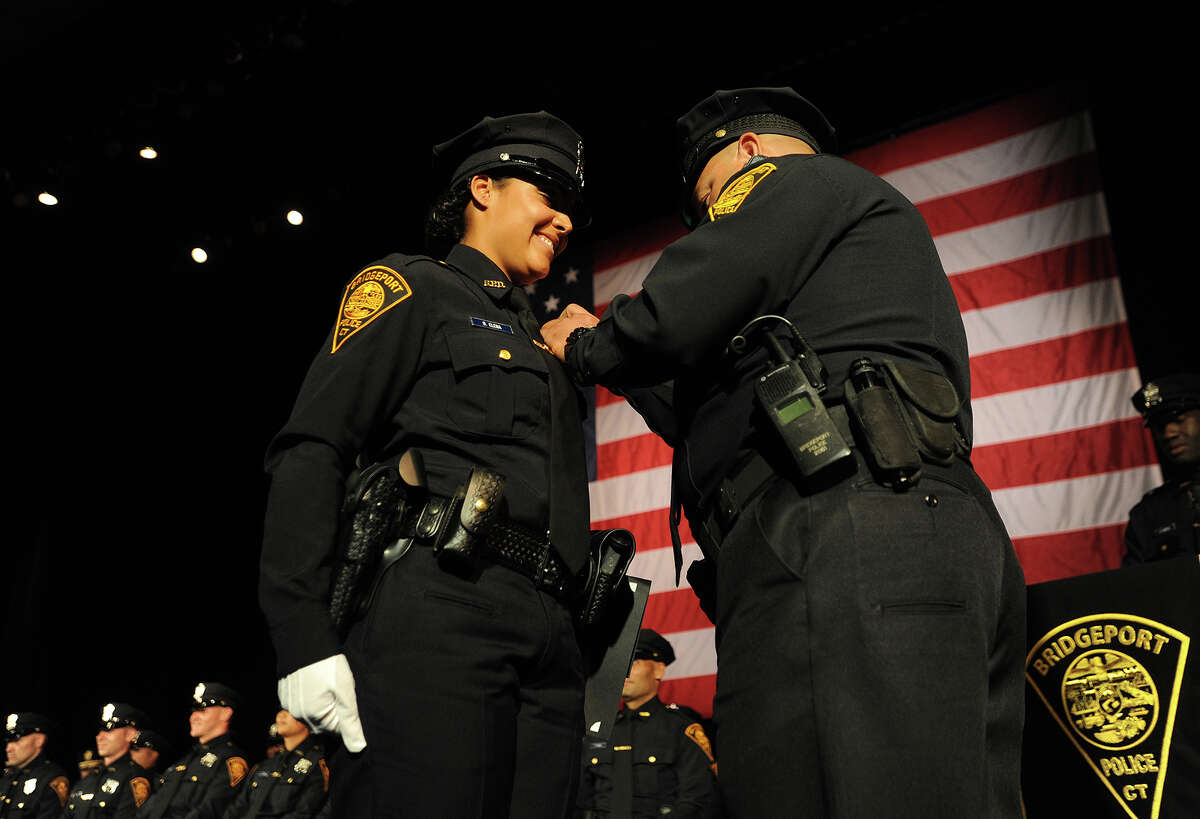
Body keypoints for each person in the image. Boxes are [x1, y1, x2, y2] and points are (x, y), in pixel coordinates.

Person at [542, 87, 1026, 818]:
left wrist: (585, 344)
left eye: (710, 198)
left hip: (841, 524)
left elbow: (681, 305)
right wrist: (618, 361)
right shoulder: (836, 258)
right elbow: (701, 404)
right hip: (902, 518)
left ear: (747, 151)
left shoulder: (791, 179)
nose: (712, 219)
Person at [259, 110, 593, 817]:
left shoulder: (552, 339)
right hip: (441, 614)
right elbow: (313, 446)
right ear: (481, 190)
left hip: (553, 644)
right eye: (546, 192)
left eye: (572, 205)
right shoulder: (408, 288)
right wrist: (300, 634)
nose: (564, 219)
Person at [576, 630, 716, 818]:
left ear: (659, 670)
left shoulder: (681, 729)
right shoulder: (598, 733)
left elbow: (697, 800)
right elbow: (580, 800)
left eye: (633, 662)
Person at [138, 682, 249, 819]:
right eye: (193, 711)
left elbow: (211, 810)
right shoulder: (186, 760)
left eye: (202, 710)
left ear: (225, 714)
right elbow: (153, 805)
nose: (194, 717)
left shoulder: (231, 760)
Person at [1124, 372, 1200, 563]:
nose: (1169, 433)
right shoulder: (1149, 513)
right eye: (1159, 425)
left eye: (1178, 419)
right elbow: (1137, 587)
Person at [221, 710, 328, 819]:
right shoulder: (266, 764)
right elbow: (238, 807)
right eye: (281, 709)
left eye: (290, 710)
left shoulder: (317, 765)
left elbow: (305, 813)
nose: (281, 714)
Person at [64, 703, 152, 817]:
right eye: (100, 730)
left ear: (130, 734)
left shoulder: (135, 779)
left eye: (109, 730)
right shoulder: (89, 779)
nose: (100, 737)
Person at [2, 712, 69, 818]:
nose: (8, 748)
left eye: (16, 740)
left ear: (39, 740)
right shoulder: (6, 778)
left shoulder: (51, 780)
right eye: (8, 741)